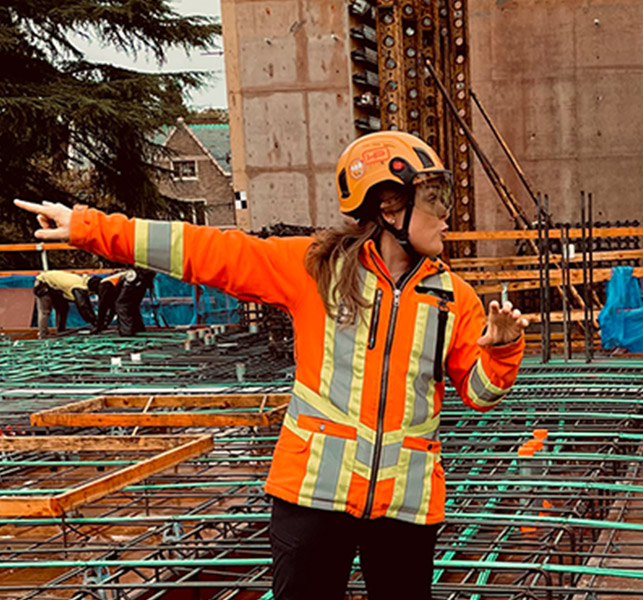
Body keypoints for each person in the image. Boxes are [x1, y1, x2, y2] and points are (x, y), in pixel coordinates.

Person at [15, 131, 529, 600]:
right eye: (434, 200)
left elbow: (480, 393)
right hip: (312, 501)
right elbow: (205, 250)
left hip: (405, 510)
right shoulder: (316, 270)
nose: (446, 216)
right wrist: (89, 228)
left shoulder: (454, 298)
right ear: (389, 205)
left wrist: (501, 350)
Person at [33, 270, 97, 337]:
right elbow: (83, 305)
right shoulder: (78, 287)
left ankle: (60, 329)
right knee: (45, 311)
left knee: (63, 308)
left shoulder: (81, 283)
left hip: (56, 288)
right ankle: (43, 333)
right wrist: (94, 321)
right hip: (43, 283)